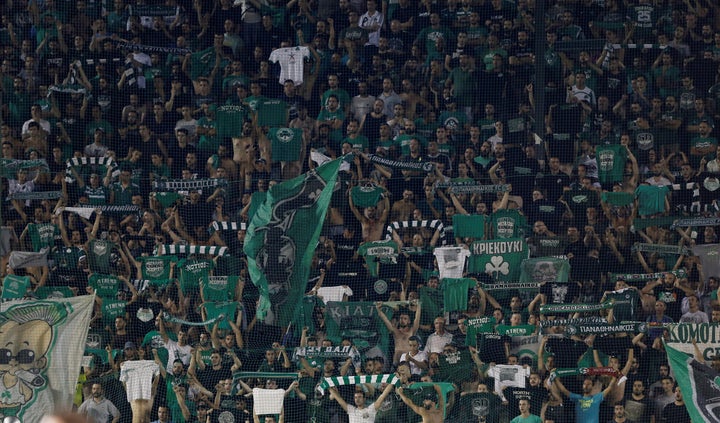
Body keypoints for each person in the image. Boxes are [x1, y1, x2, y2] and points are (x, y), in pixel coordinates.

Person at [327, 383, 395, 422]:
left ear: (364, 399)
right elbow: (339, 399)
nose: (357, 399)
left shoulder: (371, 409)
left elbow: (383, 396)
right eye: (356, 397)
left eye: (359, 397)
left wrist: (392, 382)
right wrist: (329, 387)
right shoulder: (351, 410)